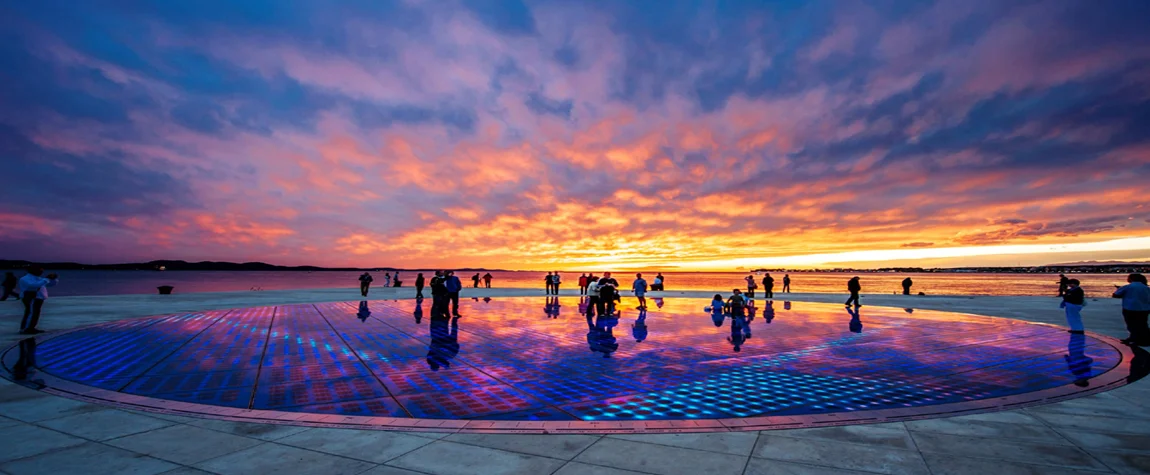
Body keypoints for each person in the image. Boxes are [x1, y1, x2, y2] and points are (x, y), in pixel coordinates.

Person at [18, 267, 58, 334]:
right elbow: (33, 286)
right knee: (31, 313)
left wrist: (53, 279)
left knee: (35, 313)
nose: (41, 272)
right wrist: (46, 279)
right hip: (31, 297)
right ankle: (26, 329)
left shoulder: (38, 278)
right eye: (40, 271)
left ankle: (30, 327)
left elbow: (50, 284)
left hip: (37, 298)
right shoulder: (25, 278)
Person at [1113, 273, 1150, 346]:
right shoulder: (1146, 288)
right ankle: (1144, 339)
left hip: (1130, 308)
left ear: (1131, 279)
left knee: (1131, 325)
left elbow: (1115, 295)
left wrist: (1120, 290)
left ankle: (1135, 339)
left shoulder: (1127, 287)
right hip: (1144, 309)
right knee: (1142, 324)